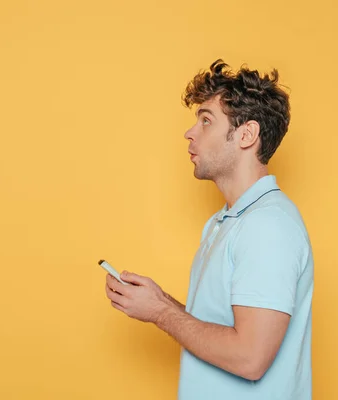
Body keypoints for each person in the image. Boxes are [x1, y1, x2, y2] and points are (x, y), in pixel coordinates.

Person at [104, 59, 313, 400]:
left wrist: (160, 312)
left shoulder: (268, 226)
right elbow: (227, 330)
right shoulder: (225, 222)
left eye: (206, 121)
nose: (190, 133)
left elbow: (249, 358)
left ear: (246, 135)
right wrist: (159, 302)